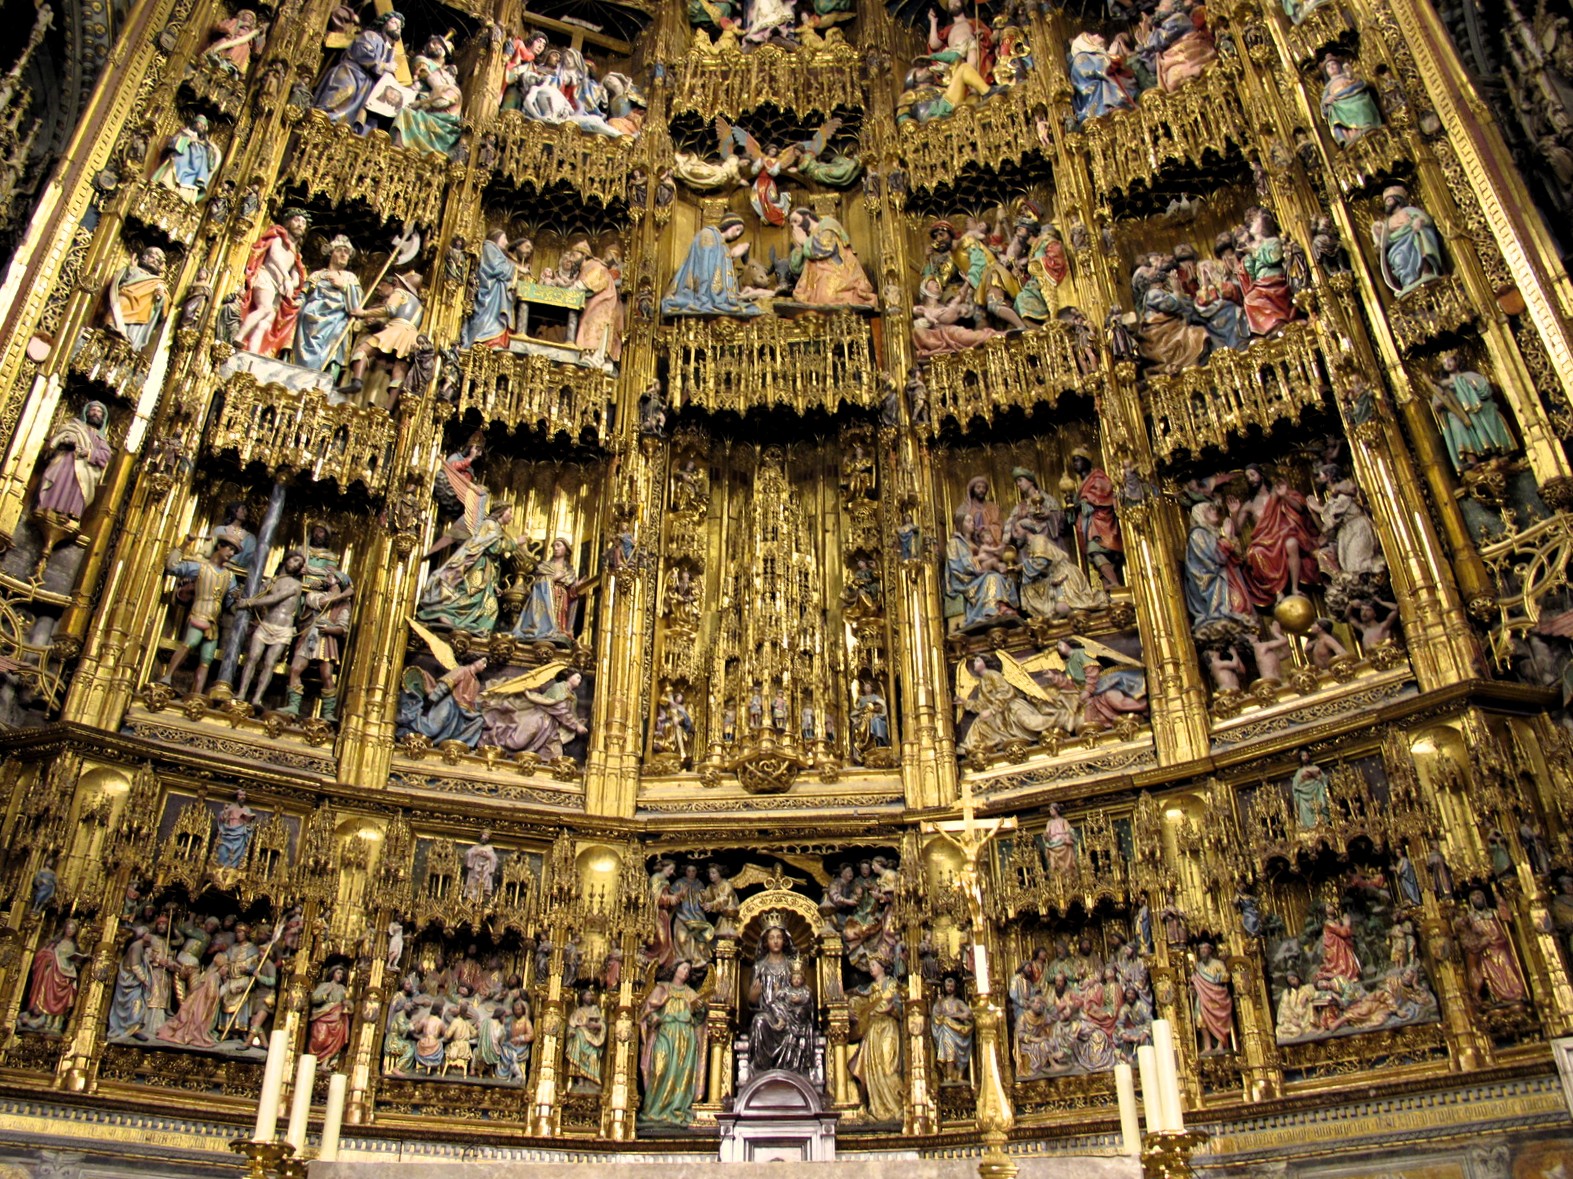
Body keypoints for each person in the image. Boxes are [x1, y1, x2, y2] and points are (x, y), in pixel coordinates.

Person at [417, 506, 517, 633]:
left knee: (489, 605)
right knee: (472, 595)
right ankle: (445, 614)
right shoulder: (489, 524)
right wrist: (516, 542)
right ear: (500, 512)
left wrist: (494, 584)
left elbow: (494, 558)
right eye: (510, 512)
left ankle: (472, 628)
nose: (512, 516)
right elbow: (493, 548)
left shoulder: (497, 528)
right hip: (477, 565)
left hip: (487, 568)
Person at [313, 10, 403, 133]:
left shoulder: (389, 50)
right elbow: (362, 52)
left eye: (399, 27)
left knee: (363, 119)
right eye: (394, 23)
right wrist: (384, 66)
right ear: (384, 23)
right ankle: (321, 125)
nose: (397, 28)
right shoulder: (371, 35)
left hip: (367, 86)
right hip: (352, 73)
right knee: (341, 98)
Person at [639, 961, 706, 1126]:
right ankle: (653, 1110)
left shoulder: (690, 993)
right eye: (684, 968)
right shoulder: (662, 988)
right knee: (659, 1070)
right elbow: (647, 1011)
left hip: (685, 1036)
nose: (686, 972)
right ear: (675, 969)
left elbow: (700, 1019)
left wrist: (699, 1009)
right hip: (665, 1033)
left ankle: (677, 1108)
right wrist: (653, 1018)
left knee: (681, 1073)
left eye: (688, 970)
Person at [662, 215, 767, 317]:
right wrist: (732, 254)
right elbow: (704, 264)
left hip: (717, 297)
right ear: (729, 224)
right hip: (703, 293)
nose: (737, 234)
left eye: (740, 233)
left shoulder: (723, 245)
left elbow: (722, 270)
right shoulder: (708, 234)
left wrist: (732, 255)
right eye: (737, 229)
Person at [235, 211, 308, 357]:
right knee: (264, 308)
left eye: (303, 223)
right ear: (288, 222)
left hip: (278, 288)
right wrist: (285, 277)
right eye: (296, 220)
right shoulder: (278, 238)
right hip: (266, 278)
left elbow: (296, 278)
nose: (300, 225)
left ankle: (253, 353)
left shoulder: (295, 252)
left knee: (266, 322)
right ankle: (239, 336)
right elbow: (274, 256)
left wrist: (290, 284)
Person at [1183, 501, 1255, 643]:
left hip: (1226, 578)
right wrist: (1227, 538)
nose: (1215, 511)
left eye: (1215, 509)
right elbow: (1216, 557)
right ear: (1200, 514)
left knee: (1241, 607)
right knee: (1237, 605)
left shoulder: (1212, 534)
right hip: (1211, 582)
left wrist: (1230, 536)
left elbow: (1235, 558)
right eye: (1210, 509)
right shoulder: (1198, 534)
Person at [35, 401, 113, 525]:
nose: (95, 413)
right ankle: (47, 506)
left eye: (99, 412)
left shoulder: (100, 438)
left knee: (79, 483)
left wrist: (89, 452)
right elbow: (60, 437)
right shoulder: (75, 426)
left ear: (103, 417)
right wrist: (67, 440)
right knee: (60, 477)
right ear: (87, 412)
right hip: (67, 460)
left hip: (85, 468)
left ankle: (68, 513)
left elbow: (106, 455)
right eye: (93, 410)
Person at [787, 207, 878, 308]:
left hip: (838, 273)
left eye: (796, 221)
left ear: (807, 216)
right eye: (792, 225)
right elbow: (797, 269)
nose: (795, 226)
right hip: (816, 281)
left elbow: (824, 248)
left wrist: (804, 241)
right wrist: (799, 246)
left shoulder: (828, 225)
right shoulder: (809, 239)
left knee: (825, 296)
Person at [849, 955, 903, 1121]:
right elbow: (858, 997)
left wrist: (889, 1008)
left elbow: (897, 1003)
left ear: (882, 966)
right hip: (873, 1030)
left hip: (887, 1027)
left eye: (873, 965)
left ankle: (897, 1105)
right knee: (872, 1067)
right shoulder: (871, 988)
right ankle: (877, 1107)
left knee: (887, 1065)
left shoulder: (891, 984)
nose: (871, 968)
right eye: (870, 965)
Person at [1372, 185, 1446, 295]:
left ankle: (1426, 270)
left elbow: (1426, 219)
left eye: (1389, 200)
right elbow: (1385, 241)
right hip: (1397, 247)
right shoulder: (1388, 222)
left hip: (1413, 235)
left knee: (1420, 237)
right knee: (1399, 259)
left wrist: (1419, 221)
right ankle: (1408, 281)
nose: (1387, 204)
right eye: (1386, 202)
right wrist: (1377, 232)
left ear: (1397, 199)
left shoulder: (1409, 210)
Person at [151, 116, 221, 203]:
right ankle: (169, 184)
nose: (202, 127)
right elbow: (173, 143)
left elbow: (211, 162)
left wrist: (209, 151)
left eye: (204, 126)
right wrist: (188, 140)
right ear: (194, 124)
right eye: (200, 124)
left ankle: (185, 195)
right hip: (181, 160)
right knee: (176, 160)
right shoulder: (185, 133)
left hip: (196, 171)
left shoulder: (206, 144)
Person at [1319, 56, 1383, 147]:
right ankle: (1352, 135)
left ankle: (1367, 126)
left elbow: (1362, 84)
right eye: (1328, 66)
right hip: (1340, 106)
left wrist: (1352, 85)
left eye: (1333, 64)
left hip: (1357, 98)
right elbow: (1324, 108)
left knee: (1361, 101)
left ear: (1339, 66)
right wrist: (1327, 102)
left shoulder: (1348, 76)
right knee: (1332, 111)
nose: (1331, 67)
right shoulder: (1328, 88)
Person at [1191, 942, 1234, 1054]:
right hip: (1202, 997)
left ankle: (1221, 1044)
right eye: (1201, 949)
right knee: (1200, 1020)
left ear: (1210, 950)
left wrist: (1215, 978)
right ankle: (1207, 1046)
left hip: (1216, 996)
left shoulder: (1218, 964)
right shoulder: (1198, 966)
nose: (1203, 951)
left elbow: (1227, 976)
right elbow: (1194, 980)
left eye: (1205, 948)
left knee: (1220, 1019)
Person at [932, 975, 974, 1083]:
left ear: (955, 987)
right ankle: (949, 1076)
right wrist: (939, 1003)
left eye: (951, 986)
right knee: (949, 1051)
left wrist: (960, 1015)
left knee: (957, 1053)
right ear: (944, 987)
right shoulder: (941, 1002)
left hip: (958, 1031)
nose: (950, 988)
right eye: (947, 985)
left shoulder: (958, 1002)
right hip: (946, 1029)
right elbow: (936, 1015)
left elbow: (968, 1013)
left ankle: (959, 1075)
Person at [566, 987, 607, 1090]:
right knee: (578, 1051)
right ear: (583, 997)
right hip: (580, 1041)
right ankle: (580, 1081)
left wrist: (596, 1026)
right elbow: (571, 1025)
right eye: (588, 995)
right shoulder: (578, 1011)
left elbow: (602, 1024)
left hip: (593, 1041)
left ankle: (592, 1081)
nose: (590, 997)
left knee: (593, 1057)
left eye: (591, 995)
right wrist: (572, 1031)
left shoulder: (595, 1010)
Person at [308, 964, 351, 1065]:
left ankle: (326, 1063)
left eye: (342, 974)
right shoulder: (325, 985)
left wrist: (348, 1004)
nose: (340, 976)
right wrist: (325, 994)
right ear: (333, 973)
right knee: (320, 1038)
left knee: (335, 1041)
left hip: (338, 1018)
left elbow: (349, 1002)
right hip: (324, 1014)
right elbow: (314, 998)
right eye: (338, 973)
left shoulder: (343, 989)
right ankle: (313, 1060)